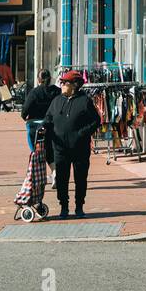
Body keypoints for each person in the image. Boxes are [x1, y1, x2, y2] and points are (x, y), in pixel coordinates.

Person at [43, 70, 101, 219]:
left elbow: (96, 121)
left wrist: (82, 133)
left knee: (80, 178)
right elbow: (48, 118)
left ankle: (79, 206)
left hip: (80, 148)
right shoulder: (56, 101)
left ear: (75, 85)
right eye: (61, 82)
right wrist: (43, 127)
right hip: (60, 148)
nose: (62, 85)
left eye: (65, 83)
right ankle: (64, 207)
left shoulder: (85, 101)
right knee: (62, 178)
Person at [22, 70, 59, 152]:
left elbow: (25, 110)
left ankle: (34, 152)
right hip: (52, 124)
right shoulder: (57, 91)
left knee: (30, 128)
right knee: (51, 153)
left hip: (35, 124)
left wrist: (24, 117)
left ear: (38, 79)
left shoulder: (34, 92)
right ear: (50, 79)